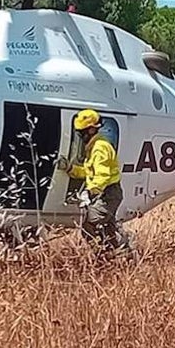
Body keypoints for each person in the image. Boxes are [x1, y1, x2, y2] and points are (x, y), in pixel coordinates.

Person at [58, 109, 131, 254]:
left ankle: (104, 252)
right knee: (107, 226)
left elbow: (102, 175)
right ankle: (119, 253)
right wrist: (70, 168)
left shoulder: (99, 148)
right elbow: (90, 171)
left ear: (91, 130)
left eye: (81, 132)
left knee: (90, 221)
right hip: (106, 192)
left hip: (109, 193)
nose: (80, 135)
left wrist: (90, 192)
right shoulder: (93, 147)